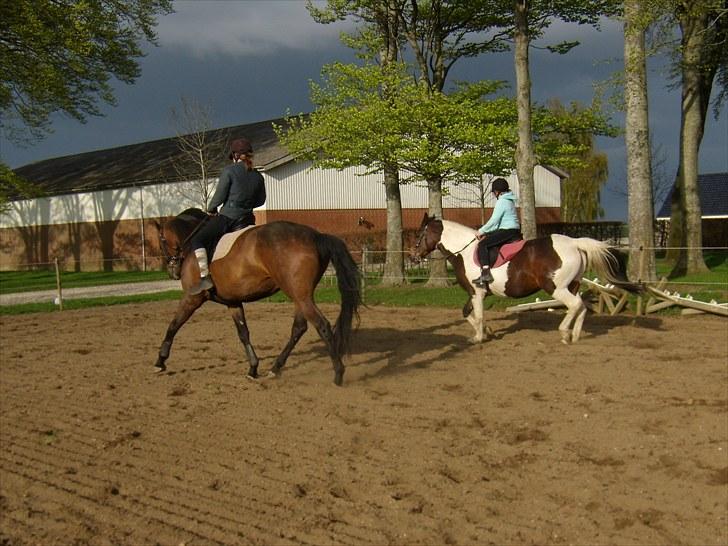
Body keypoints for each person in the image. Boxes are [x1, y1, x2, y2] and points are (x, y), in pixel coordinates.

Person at [188, 138, 266, 295]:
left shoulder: (229, 171)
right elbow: (261, 200)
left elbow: (220, 196)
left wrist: (211, 208)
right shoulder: (258, 176)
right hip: (247, 220)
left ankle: (205, 277)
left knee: (197, 240)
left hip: (228, 218)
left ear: (235, 155)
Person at [472, 177, 522, 288]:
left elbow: (494, 221)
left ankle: (485, 273)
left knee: (483, 244)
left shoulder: (502, 201)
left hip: (508, 230)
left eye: (494, 192)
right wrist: (488, 233)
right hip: (511, 229)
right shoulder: (509, 200)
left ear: (497, 192)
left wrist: (481, 231)